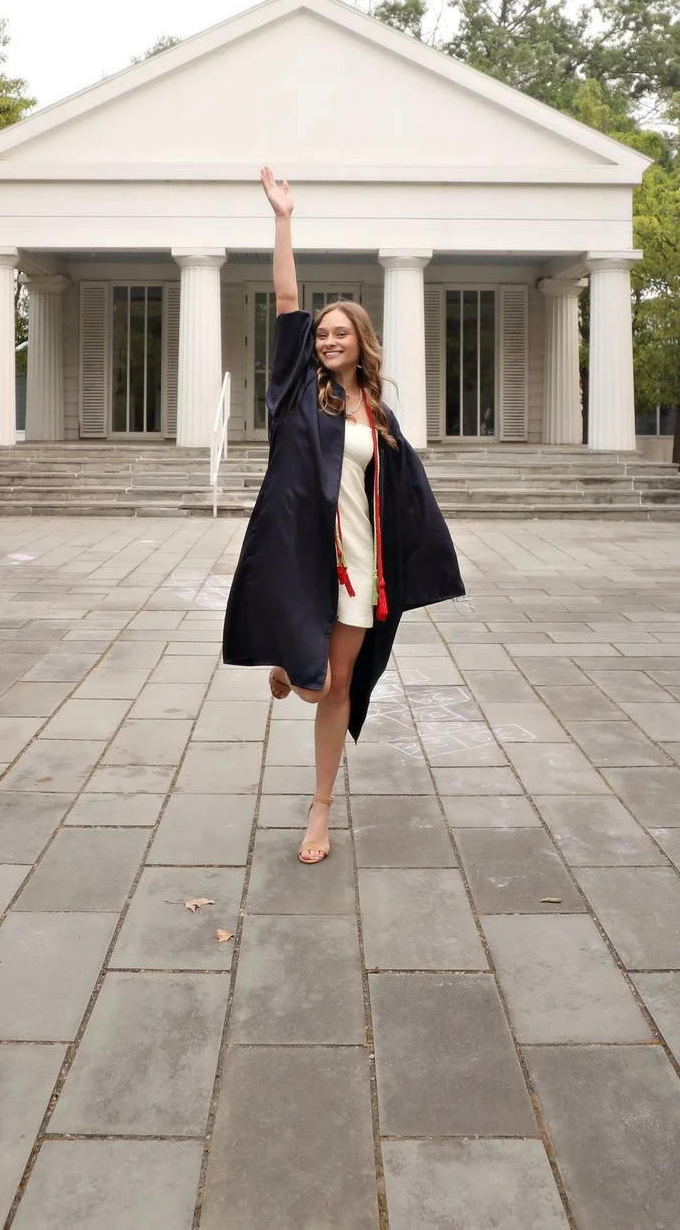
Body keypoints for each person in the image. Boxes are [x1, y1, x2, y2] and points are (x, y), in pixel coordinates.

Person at [222, 167, 464, 864]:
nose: (327, 341)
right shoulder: (297, 390)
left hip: (359, 568)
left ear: (360, 341)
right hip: (302, 559)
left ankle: (320, 810)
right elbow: (287, 296)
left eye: (338, 334)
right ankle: (286, 665)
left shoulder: (378, 414)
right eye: (321, 334)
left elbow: (402, 495)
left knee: (338, 687)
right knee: (317, 679)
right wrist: (283, 218)